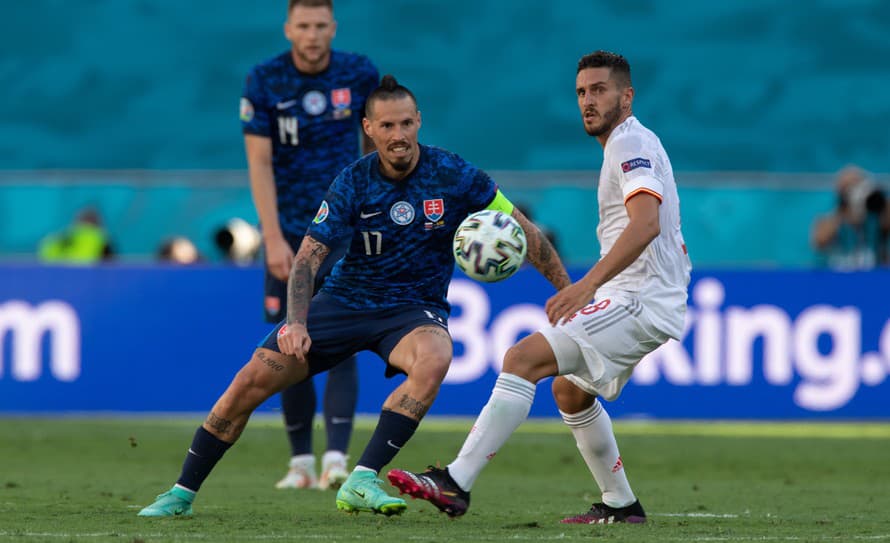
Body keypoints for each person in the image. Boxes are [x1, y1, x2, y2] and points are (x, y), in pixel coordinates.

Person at [137, 74, 571, 517]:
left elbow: (524, 230)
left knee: (436, 357)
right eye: (387, 126)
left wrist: (568, 291)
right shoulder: (352, 182)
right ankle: (180, 494)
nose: (398, 136)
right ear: (369, 129)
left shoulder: (456, 175)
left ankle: (362, 479)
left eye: (406, 124)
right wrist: (297, 322)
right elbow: (307, 258)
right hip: (344, 301)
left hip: (412, 310)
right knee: (248, 383)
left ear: (419, 121)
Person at [388, 50, 691, 525]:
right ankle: (621, 504)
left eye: (599, 90)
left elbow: (646, 223)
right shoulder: (623, 144)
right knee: (570, 392)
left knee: (522, 359)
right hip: (637, 295)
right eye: (581, 93)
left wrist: (588, 285)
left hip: (640, 298)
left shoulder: (631, 144)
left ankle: (456, 482)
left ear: (627, 96)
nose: (588, 101)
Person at [241, 0, 379, 490]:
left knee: (340, 344)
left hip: (346, 232)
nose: (313, 34)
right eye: (304, 25)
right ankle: (300, 462)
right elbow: (259, 163)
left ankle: (336, 459)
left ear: (333, 27)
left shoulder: (359, 73)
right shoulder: (265, 80)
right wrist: (273, 237)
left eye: (321, 25)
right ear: (288, 29)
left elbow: (375, 148)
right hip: (290, 234)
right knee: (287, 341)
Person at [811, 165, 889, 269]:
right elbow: (819, 241)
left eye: (859, 184)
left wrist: (879, 200)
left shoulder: (875, 218)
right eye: (851, 188)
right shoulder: (831, 218)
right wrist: (844, 214)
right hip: (841, 277)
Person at [37, 207, 114, 264]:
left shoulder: (64, 237)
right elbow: (112, 267)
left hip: (62, 278)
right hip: (89, 281)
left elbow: (44, 254)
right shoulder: (103, 240)